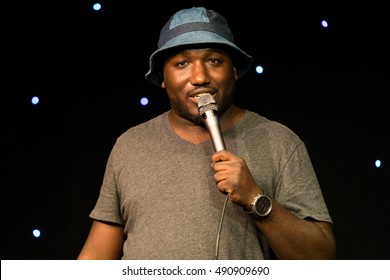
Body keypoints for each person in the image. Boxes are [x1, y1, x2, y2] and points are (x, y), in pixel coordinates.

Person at [77, 6, 336, 260]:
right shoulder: (130, 145)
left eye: (213, 60)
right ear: (162, 77)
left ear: (234, 71)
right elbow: (97, 253)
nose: (200, 77)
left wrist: (256, 199)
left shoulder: (279, 142)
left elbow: (321, 259)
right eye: (182, 63)